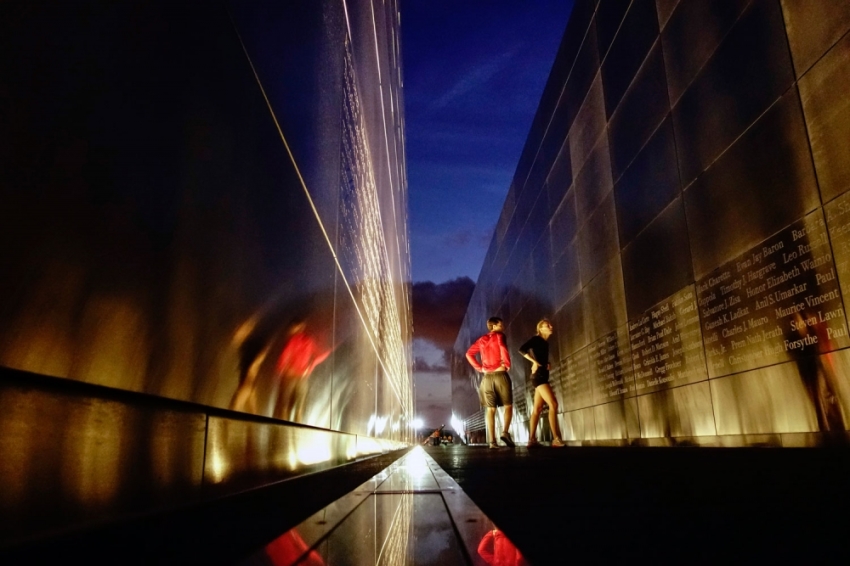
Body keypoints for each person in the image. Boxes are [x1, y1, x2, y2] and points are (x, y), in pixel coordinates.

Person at [466, 316, 515, 448]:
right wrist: (508, 363)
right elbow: (502, 347)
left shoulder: (482, 339)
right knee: (508, 406)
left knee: (490, 410)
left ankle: (492, 442)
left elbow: (468, 354)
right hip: (500, 375)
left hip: (486, 378)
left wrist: (480, 368)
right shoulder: (499, 335)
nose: (502, 327)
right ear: (494, 326)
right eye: (500, 325)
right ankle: (504, 432)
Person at [519, 319, 565, 447]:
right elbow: (522, 349)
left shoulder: (544, 343)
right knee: (553, 404)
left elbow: (540, 356)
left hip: (542, 375)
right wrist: (534, 362)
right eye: (547, 325)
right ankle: (556, 439)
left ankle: (532, 440)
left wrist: (546, 363)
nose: (551, 326)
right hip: (538, 376)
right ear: (540, 328)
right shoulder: (536, 339)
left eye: (550, 324)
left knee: (537, 409)